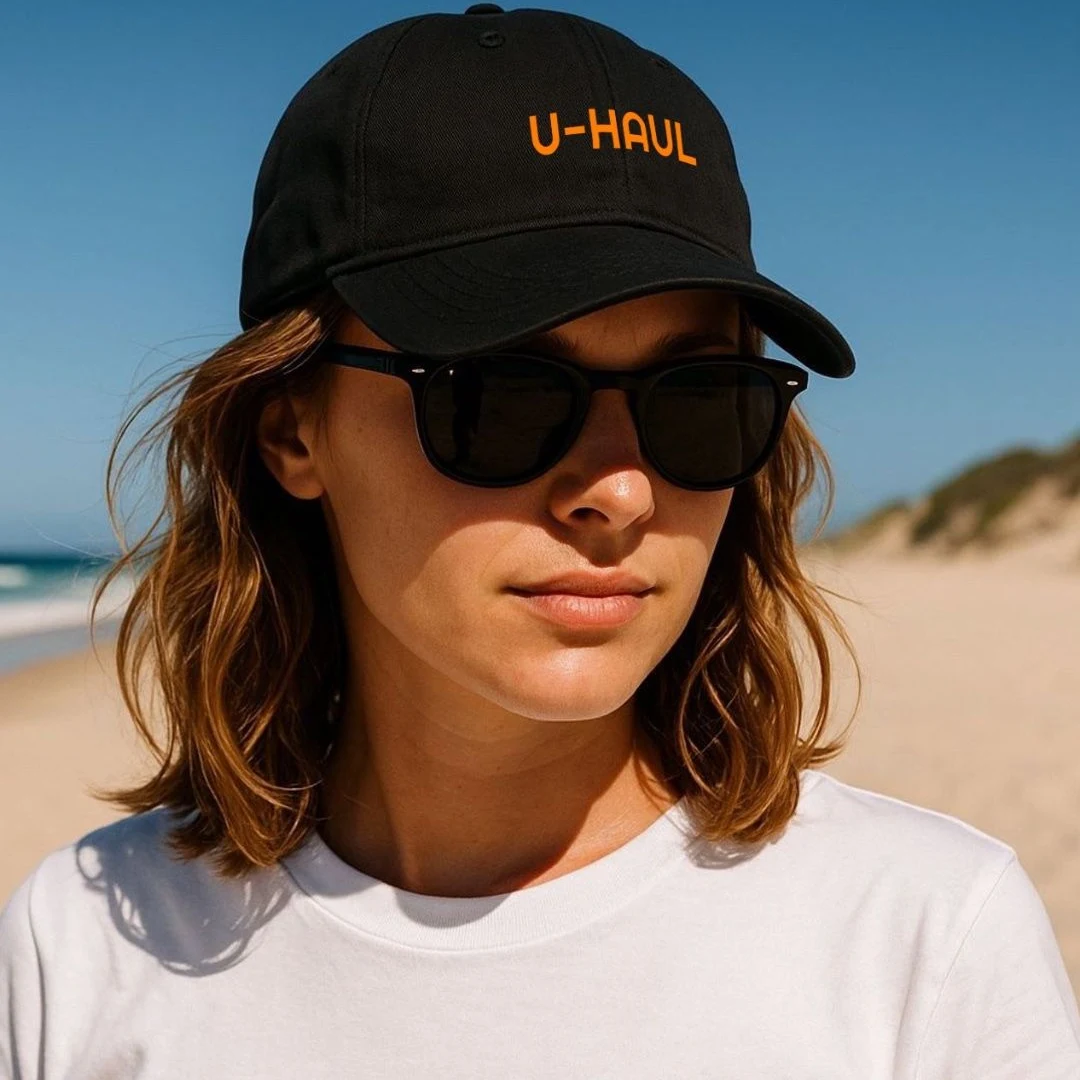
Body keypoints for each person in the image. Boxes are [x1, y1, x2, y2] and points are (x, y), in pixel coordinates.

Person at [2, 5, 1078, 1078]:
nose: (621, 490)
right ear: (292, 430)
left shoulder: (928, 944)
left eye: (698, 398)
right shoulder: (84, 946)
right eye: (499, 395)